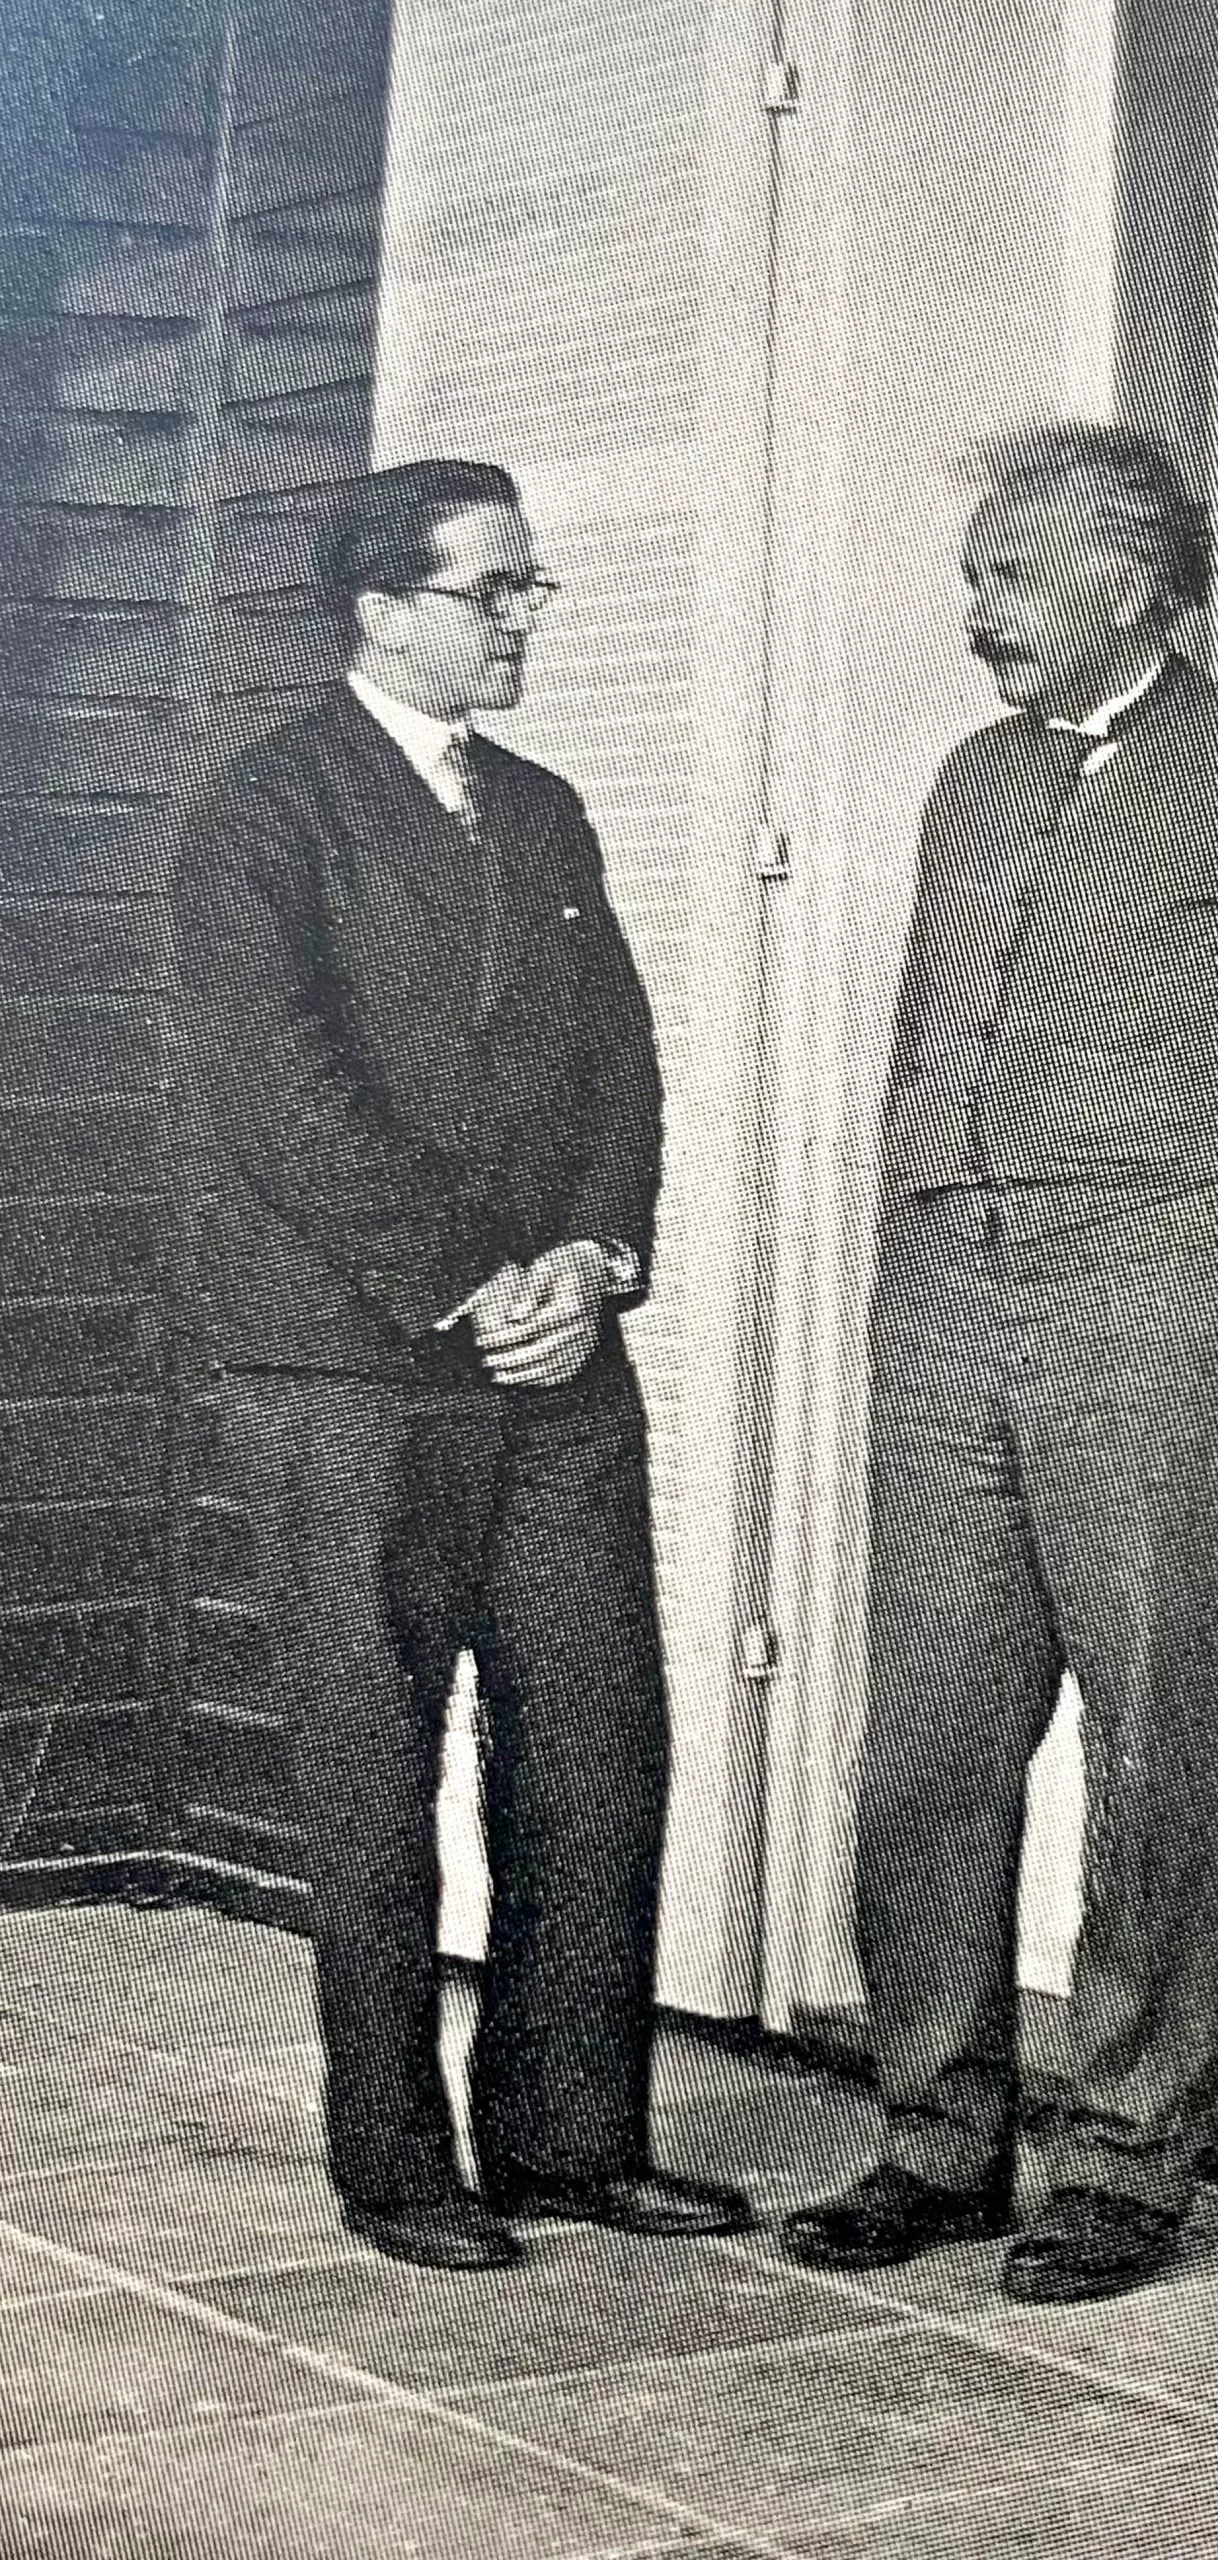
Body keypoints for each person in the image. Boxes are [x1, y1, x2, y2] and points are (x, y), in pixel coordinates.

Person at [781, 420, 1218, 2304]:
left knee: (1155, 1745)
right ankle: (936, 2138)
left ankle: (1128, 2162)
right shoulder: (971, 781)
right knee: (928, 1741)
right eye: (978, 577)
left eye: (1011, 581)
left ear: (1137, 586)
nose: (976, 618)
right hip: (950, 1294)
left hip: (1164, 1300)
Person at [173, 458, 750, 2271]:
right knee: (373, 1766)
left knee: (597, 1742)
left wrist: (592, 1259)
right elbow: (279, 1095)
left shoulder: (549, 814)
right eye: (492, 589)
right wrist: (470, 1281)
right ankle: (399, 2168)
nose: (521, 617)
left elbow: (619, 1066)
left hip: (556, 1361)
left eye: (528, 588)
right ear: (379, 607)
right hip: (350, 1373)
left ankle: (572, 2141)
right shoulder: (262, 814)